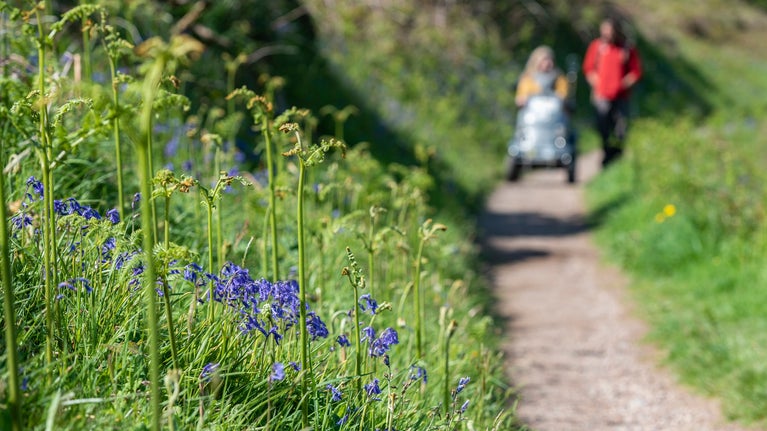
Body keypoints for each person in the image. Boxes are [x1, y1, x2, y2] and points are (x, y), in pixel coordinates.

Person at [582, 16, 642, 166]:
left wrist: (623, 84)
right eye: (604, 30)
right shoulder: (597, 47)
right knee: (602, 125)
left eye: (609, 30)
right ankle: (607, 152)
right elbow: (588, 69)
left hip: (620, 96)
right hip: (601, 95)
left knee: (621, 128)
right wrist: (597, 84)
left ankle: (616, 156)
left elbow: (636, 72)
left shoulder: (627, 49)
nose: (606, 33)